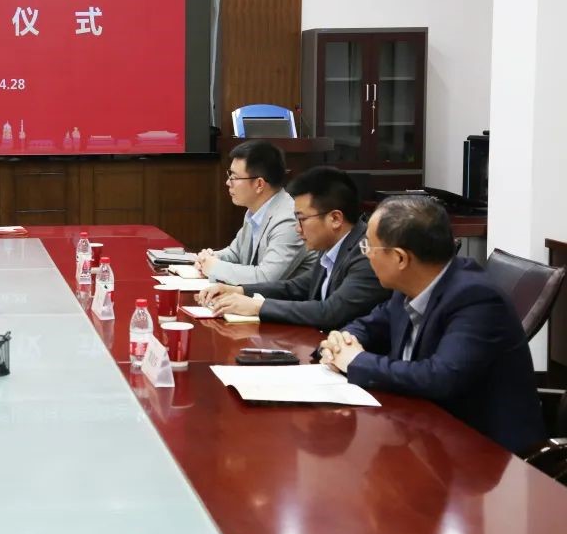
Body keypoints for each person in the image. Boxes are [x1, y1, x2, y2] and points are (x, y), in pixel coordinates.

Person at [318, 195, 545, 455]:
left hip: (486, 454)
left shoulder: (475, 298)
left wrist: (356, 361)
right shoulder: (409, 285)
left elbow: (440, 377)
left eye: (369, 246)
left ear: (400, 259)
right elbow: (369, 325)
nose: (366, 254)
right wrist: (342, 340)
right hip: (423, 434)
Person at [198, 167, 390, 329]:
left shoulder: (367, 253)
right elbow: (296, 287)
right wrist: (238, 290)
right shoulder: (331, 246)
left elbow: (330, 312)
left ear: (335, 219)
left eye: (302, 219)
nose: (297, 228)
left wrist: (257, 307)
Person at [195, 140, 317, 284]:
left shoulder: (289, 219)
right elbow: (236, 253)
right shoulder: (255, 211)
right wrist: (209, 258)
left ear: (259, 184)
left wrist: (216, 268)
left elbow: (266, 278)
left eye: (234, 177)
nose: (228, 182)